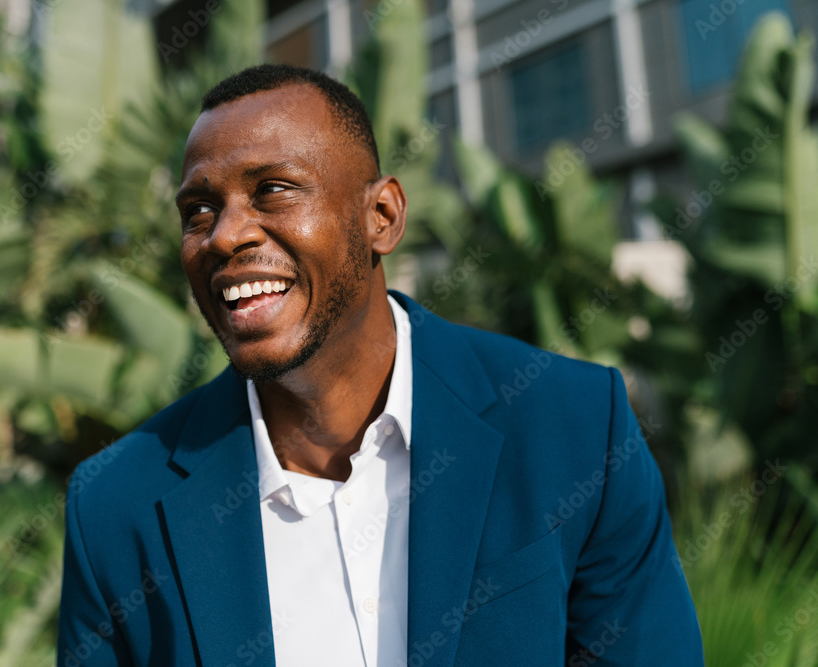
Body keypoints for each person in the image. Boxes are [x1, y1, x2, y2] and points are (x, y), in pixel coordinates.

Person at [57, 64, 705, 667]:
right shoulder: (116, 506)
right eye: (199, 210)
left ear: (383, 217)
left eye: (272, 190)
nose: (225, 235)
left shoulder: (574, 427)